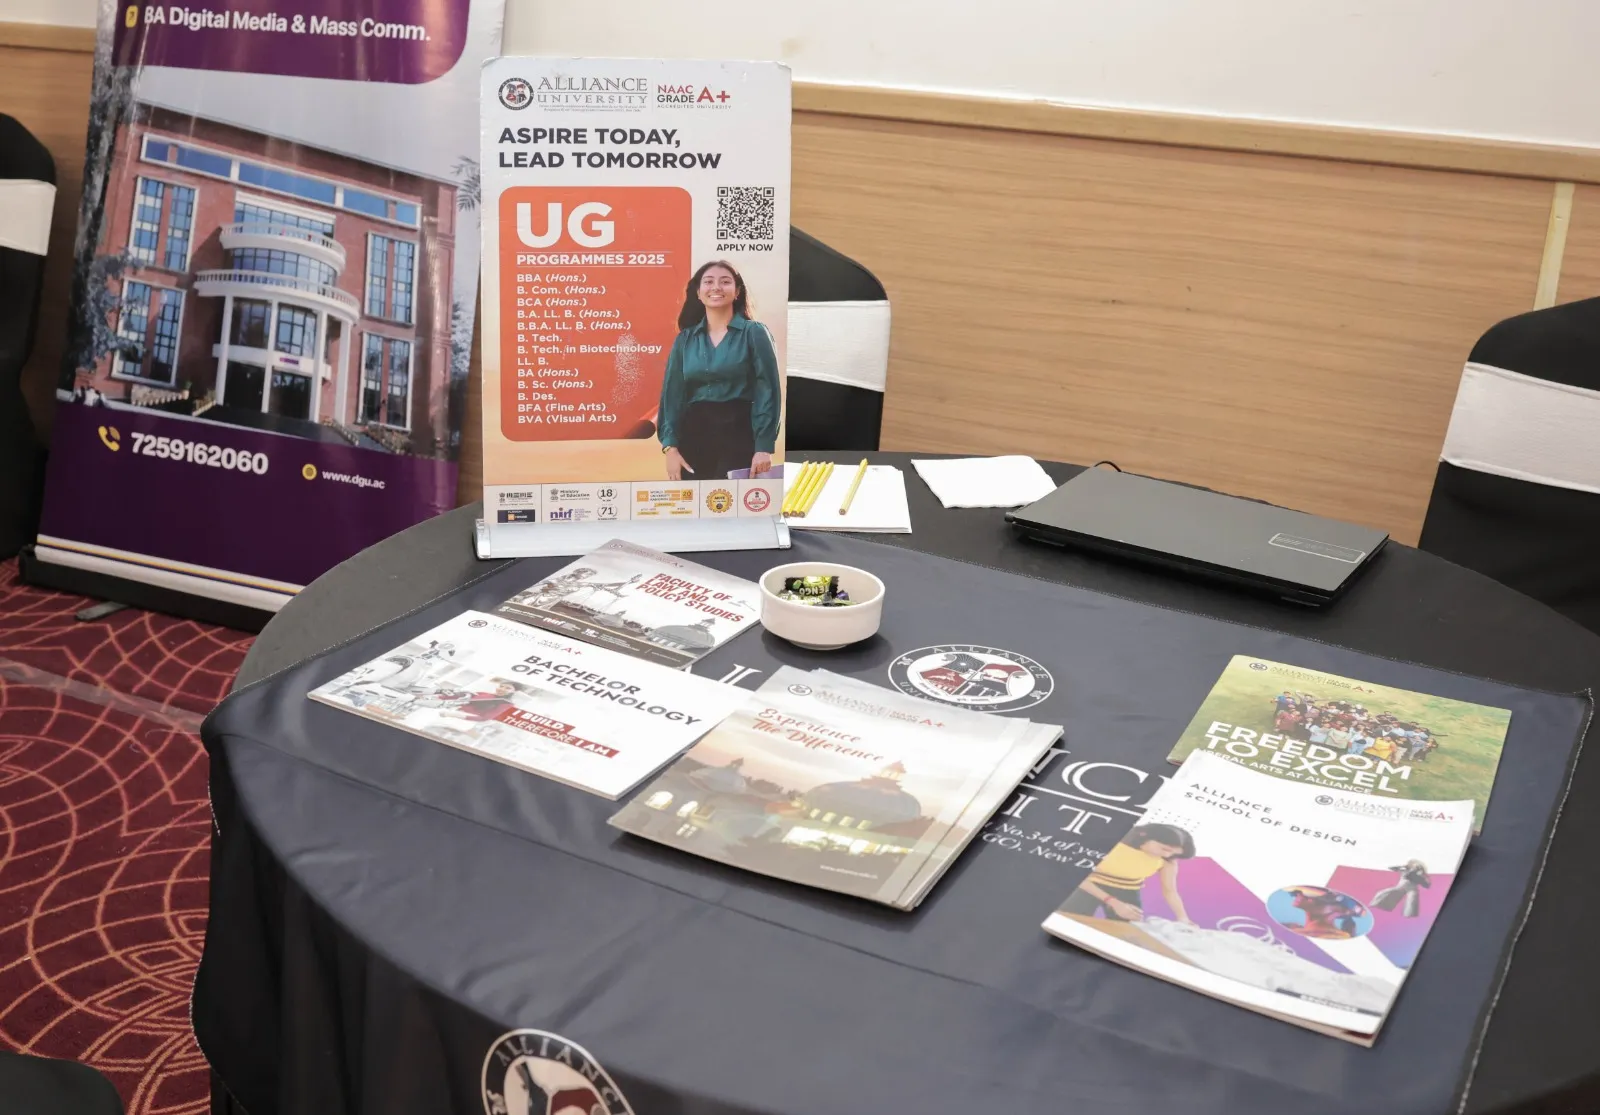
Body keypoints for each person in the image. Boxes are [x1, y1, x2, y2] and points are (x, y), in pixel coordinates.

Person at [657, 261, 782, 482]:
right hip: (693, 438)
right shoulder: (685, 339)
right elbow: (672, 394)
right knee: (694, 502)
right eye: (708, 282)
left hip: (741, 434)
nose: (716, 287)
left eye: (725, 282)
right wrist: (670, 448)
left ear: (737, 291)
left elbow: (768, 390)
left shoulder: (754, 333)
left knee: (734, 501)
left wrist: (763, 446)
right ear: (698, 292)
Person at [1060, 823, 1196, 924]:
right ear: (1144, 836)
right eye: (1164, 849)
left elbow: (1170, 891)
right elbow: (1076, 876)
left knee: (1126, 929)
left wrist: (1183, 917)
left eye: (1174, 853)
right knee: (1070, 920)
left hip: (1128, 891)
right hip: (1088, 886)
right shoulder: (1113, 843)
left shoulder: (1167, 860)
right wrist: (1113, 902)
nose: (1168, 855)